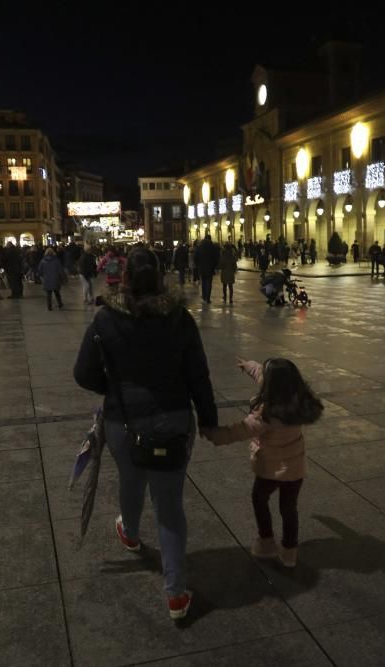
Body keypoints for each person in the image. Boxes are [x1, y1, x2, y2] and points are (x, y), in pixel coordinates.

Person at [73, 246, 218, 621]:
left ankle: (131, 532)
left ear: (123, 277)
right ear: (159, 276)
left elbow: (83, 373)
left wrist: (112, 386)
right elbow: (198, 375)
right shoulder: (179, 318)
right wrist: (209, 418)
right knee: (169, 507)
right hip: (173, 420)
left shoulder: (106, 319)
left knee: (131, 479)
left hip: (123, 422)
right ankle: (174, 594)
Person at [200, 358, 323, 568]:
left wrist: (214, 434)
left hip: (271, 469)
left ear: (271, 384)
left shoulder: (267, 413)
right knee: (288, 508)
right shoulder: (299, 400)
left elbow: (238, 431)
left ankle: (266, 542)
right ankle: (289, 552)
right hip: (295, 468)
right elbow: (263, 376)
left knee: (259, 498)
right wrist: (250, 366)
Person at [195, 234, 219, 304]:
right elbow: (216, 258)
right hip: (210, 268)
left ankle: (204, 296)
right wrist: (213, 266)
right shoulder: (213, 247)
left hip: (201, 268)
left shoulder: (199, 247)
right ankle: (207, 298)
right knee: (209, 283)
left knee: (203, 282)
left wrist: (198, 265)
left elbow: (195, 258)